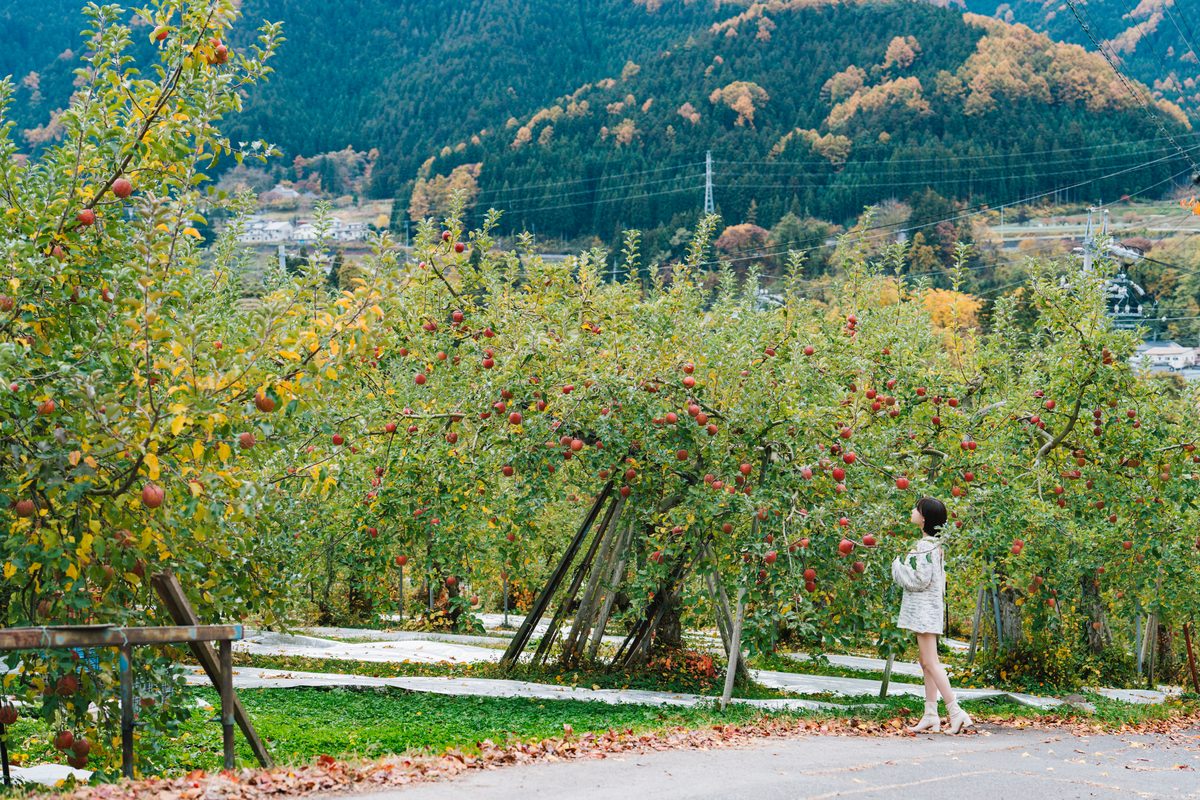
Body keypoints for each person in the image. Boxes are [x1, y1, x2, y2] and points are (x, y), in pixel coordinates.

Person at [891, 496, 973, 734]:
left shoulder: (925, 546)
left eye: (916, 509)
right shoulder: (933, 545)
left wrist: (897, 565)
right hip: (928, 611)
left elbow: (919, 580)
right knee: (925, 663)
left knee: (930, 662)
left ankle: (956, 711)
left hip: (925, 612)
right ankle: (930, 714)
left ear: (924, 517)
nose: (912, 511)